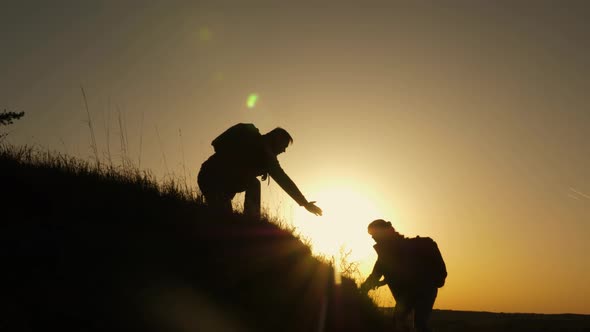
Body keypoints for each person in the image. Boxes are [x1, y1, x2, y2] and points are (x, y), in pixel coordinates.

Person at [197, 123, 322, 218]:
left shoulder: (264, 154)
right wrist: (305, 203)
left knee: (224, 219)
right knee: (253, 184)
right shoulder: (263, 151)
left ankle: (249, 223)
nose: (283, 150)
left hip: (211, 178)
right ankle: (252, 220)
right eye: (283, 146)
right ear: (276, 139)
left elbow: (216, 144)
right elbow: (284, 180)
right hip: (213, 179)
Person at [360, 219, 447, 332]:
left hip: (419, 292)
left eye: (373, 234)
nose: (372, 238)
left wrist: (362, 289)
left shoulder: (389, 252)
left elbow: (376, 275)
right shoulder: (387, 252)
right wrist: (364, 288)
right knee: (411, 324)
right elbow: (376, 275)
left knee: (412, 324)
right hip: (420, 292)